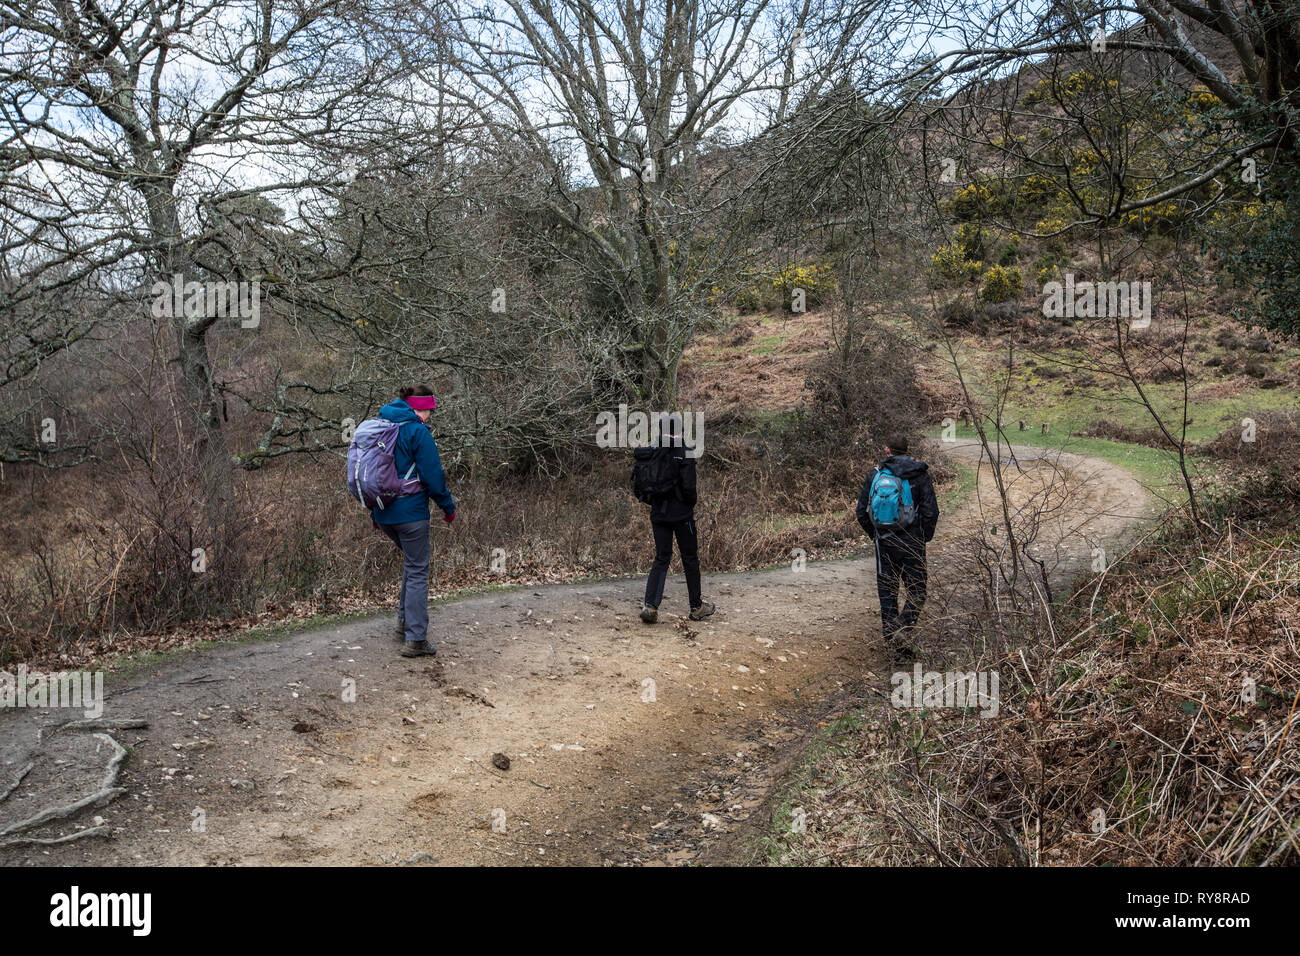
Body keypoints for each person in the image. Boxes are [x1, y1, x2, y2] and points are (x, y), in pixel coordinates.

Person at [372, 385, 455, 657]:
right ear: (423, 407)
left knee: (412, 562)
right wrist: (447, 506)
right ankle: (416, 639)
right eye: (431, 409)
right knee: (418, 570)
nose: (431, 415)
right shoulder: (417, 431)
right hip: (411, 514)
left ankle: (403, 624)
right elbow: (433, 476)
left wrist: (374, 509)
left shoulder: (380, 426)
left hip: (383, 512)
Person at [855, 433, 939, 659]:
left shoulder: (875, 475)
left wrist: (875, 534)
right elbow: (931, 511)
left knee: (888, 593)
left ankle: (893, 646)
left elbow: (861, 512)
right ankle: (904, 628)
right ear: (908, 449)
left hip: (884, 543)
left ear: (886, 450)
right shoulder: (919, 474)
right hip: (912, 542)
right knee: (917, 591)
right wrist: (924, 537)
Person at [635, 413, 716, 624]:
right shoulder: (685, 452)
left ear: (660, 431)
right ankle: (696, 607)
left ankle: (650, 607)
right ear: (679, 430)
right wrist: (689, 503)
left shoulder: (653, 452)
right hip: (682, 517)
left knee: (662, 557)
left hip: (658, 515)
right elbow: (690, 488)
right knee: (690, 558)